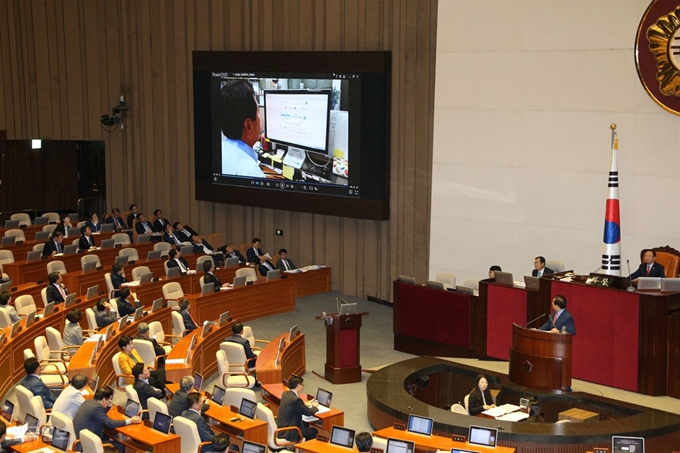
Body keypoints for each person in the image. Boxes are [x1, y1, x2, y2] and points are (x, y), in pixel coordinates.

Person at [217, 79, 266, 178]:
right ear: (248, 126)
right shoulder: (252, 174)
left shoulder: (219, 152)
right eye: (258, 112)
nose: (260, 117)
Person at [73, 387, 140, 452]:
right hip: (89, 443)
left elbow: (100, 415)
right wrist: (130, 420)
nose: (110, 401)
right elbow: (110, 424)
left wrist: (108, 405)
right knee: (121, 445)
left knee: (109, 434)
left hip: (82, 439)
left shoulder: (88, 402)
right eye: (109, 400)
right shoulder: (96, 408)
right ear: (104, 399)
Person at [276, 376, 319, 442]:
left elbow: (293, 405)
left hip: (282, 428)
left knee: (305, 424)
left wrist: (305, 403)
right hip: (290, 433)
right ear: (298, 385)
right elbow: (309, 412)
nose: (303, 387)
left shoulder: (285, 394)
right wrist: (315, 406)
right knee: (314, 431)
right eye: (302, 384)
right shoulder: (296, 400)